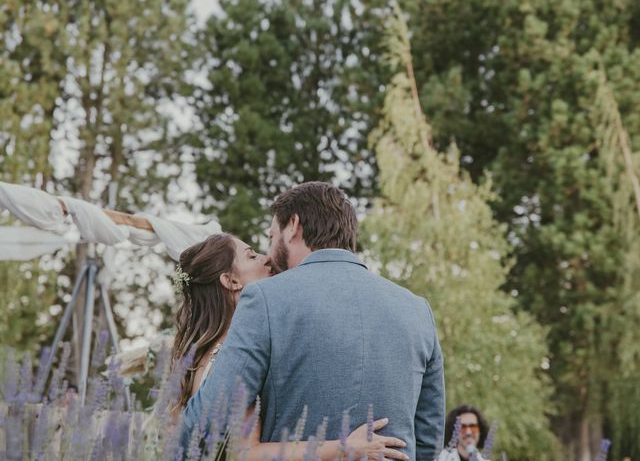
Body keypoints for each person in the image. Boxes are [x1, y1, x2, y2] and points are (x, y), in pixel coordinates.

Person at [180, 182, 445, 460]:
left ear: (293, 225)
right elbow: (430, 438)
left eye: (271, 236)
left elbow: (208, 418)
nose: (269, 254)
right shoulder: (417, 309)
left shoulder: (265, 298)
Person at [171, 232, 408, 460]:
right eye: (252, 256)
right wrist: (345, 448)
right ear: (230, 280)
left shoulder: (206, 354)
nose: (267, 258)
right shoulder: (237, 356)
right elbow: (245, 453)